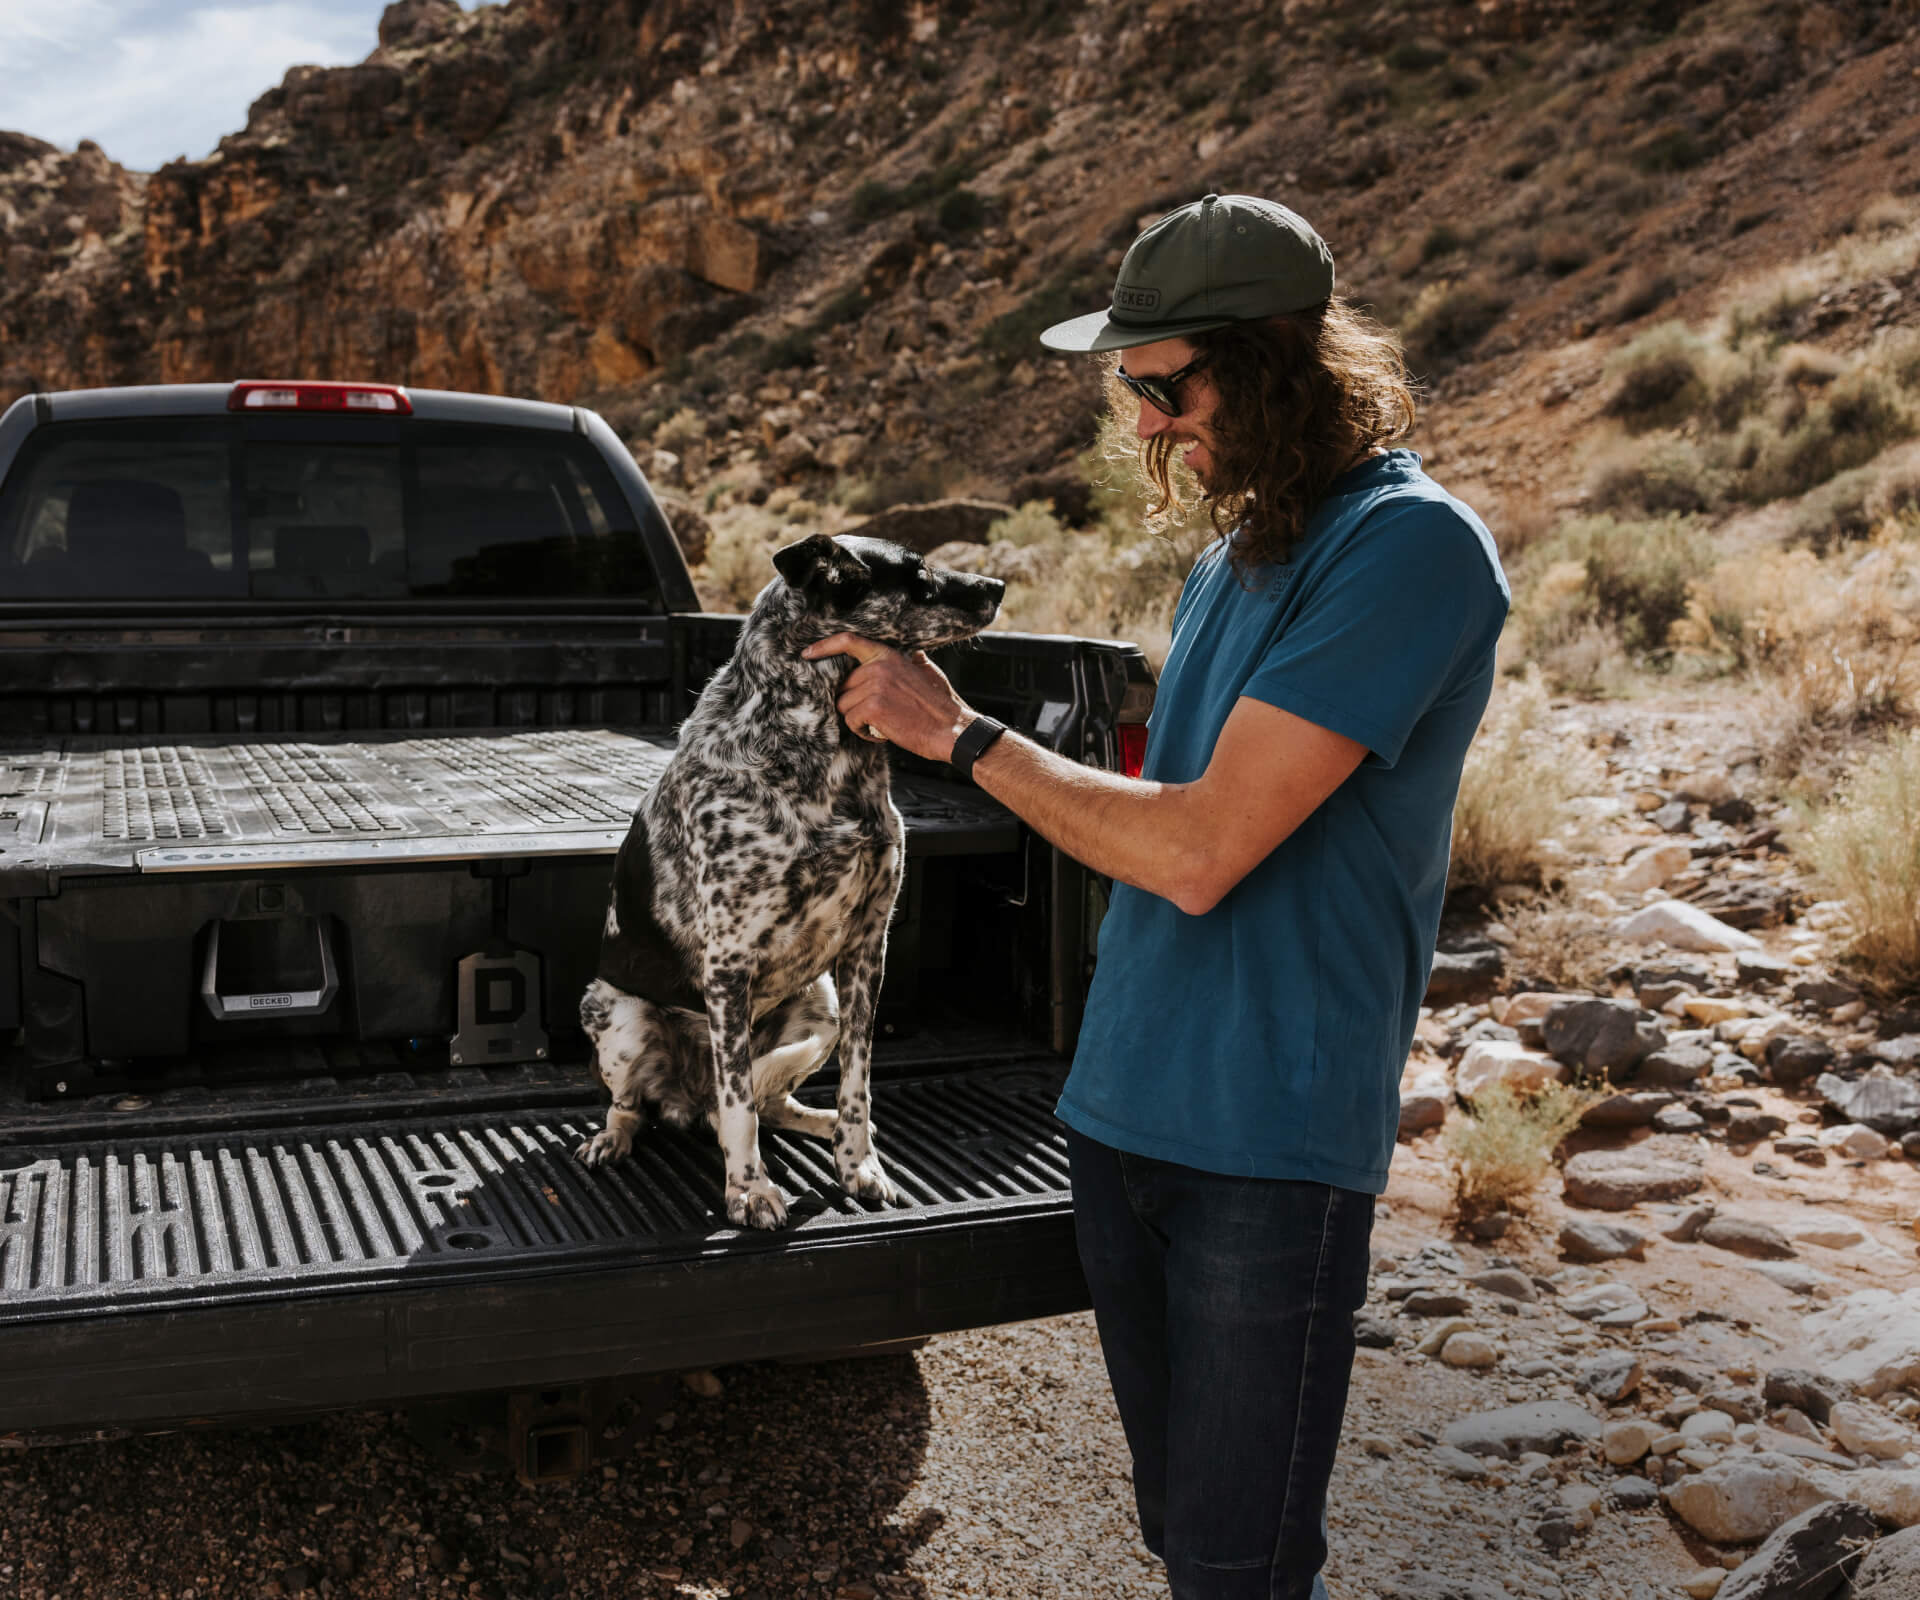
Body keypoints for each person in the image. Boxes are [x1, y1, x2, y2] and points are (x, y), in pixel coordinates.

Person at [803, 192, 1510, 1600]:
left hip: (1267, 1141)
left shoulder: (1409, 550)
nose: (1145, 426)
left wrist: (962, 736)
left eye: (1165, 386)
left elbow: (1196, 849)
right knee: (1180, 1536)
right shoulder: (1229, 560)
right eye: (1131, 390)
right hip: (1125, 1113)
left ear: (1276, 362)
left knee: (1238, 1570)